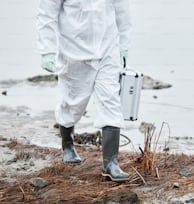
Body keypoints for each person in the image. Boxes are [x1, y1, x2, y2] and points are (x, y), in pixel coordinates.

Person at [37, 0, 131, 182]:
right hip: (73, 52)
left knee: (111, 100)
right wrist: (46, 50)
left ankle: (110, 163)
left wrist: (124, 46)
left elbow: (122, 10)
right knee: (72, 105)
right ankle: (67, 144)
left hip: (107, 49)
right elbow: (47, 13)